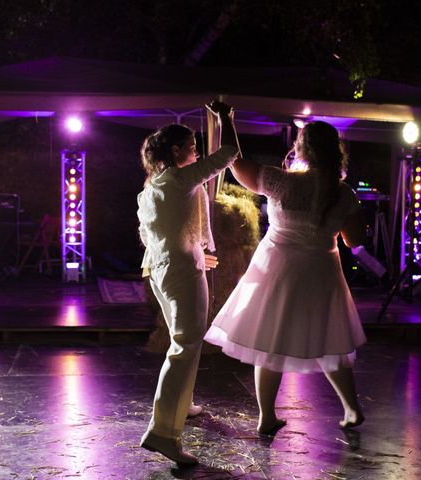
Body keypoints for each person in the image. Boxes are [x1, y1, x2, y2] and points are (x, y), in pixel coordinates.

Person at [204, 121, 367, 435]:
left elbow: (234, 161)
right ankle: (352, 407)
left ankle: (267, 416)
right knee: (329, 339)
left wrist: (227, 121)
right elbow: (354, 240)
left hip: (280, 268)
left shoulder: (281, 182)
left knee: (270, 340)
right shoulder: (343, 193)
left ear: (302, 148)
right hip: (321, 271)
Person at [137, 101, 239, 466]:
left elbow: (151, 235)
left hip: (162, 270)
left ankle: (185, 403)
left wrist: (194, 249)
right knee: (184, 345)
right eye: (193, 146)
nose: (197, 152)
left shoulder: (152, 187)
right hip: (180, 271)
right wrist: (225, 119)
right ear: (177, 151)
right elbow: (229, 154)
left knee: (187, 340)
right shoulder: (181, 178)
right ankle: (162, 432)